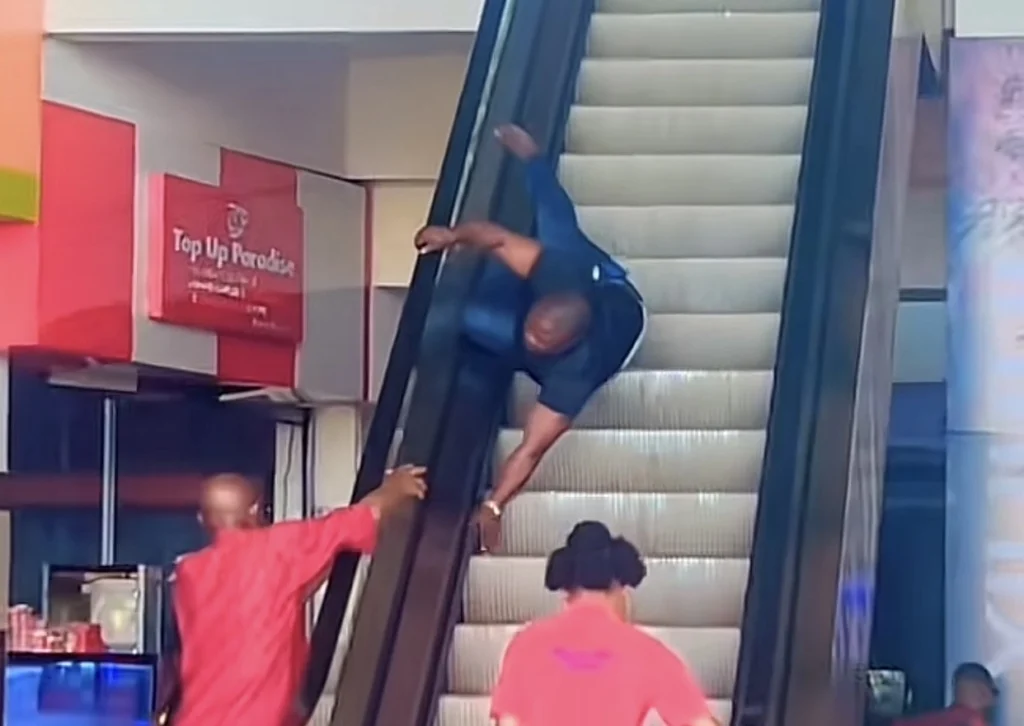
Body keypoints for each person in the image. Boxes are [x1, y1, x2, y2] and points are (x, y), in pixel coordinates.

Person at [415, 124, 647, 551]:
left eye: (541, 342)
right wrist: (452, 236)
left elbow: (531, 449)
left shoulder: (575, 374)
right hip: (587, 276)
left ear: (563, 345)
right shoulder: (557, 271)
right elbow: (497, 236)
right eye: (531, 330)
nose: (531, 339)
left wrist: (494, 505)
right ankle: (536, 159)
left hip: (622, 321)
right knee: (555, 225)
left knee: (473, 320)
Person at [161, 465, 427, 726]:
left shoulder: (188, 577)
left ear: (202, 520)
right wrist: (395, 488)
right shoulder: (279, 550)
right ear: (255, 510)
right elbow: (357, 519)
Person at [490, 521, 719, 726]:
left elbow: (508, 722)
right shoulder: (647, 651)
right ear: (619, 586)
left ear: (567, 590)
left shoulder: (526, 644)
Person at [894, 662, 998, 726]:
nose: (995, 700)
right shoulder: (971, 722)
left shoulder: (927, 721)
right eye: (994, 692)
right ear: (982, 691)